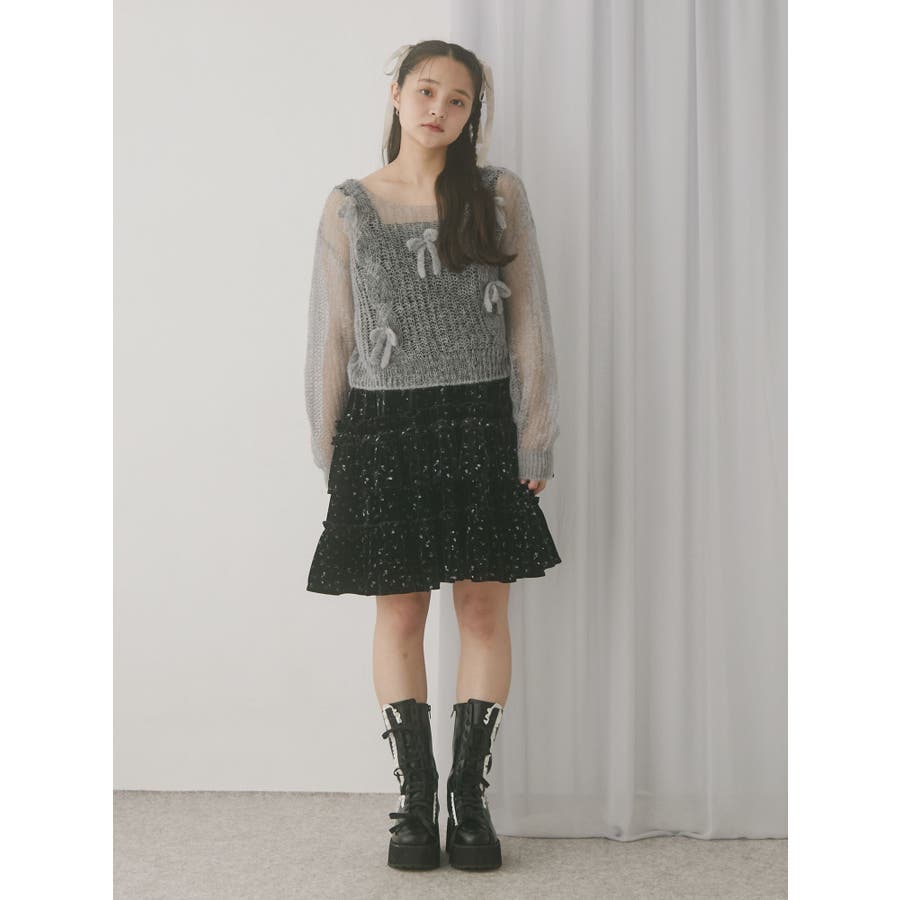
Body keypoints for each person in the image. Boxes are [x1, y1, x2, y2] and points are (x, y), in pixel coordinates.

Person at [303, 39, 562, 871]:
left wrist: (536, 432)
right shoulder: (350, 205)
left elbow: (528, 321)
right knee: (401, 611)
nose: (438, 110)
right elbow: (332, 336)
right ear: (396, 94)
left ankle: (468, 802)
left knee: (483, 610)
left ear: (471, 113)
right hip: (384, 428)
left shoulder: (497, 195)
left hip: (479, 421)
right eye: (425, 91)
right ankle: (415, 803)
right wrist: (331, 451)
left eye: (457, 100)